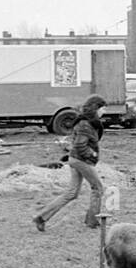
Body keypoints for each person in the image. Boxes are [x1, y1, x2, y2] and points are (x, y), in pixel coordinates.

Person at [33, 95, 106, 231]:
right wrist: (93, 154)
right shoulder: (85, 124)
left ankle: (41, 217)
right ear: (96, 108)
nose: (104, 111)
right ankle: (92, 221)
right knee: (98, 188)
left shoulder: (88, 123)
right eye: (103, 108)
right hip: (81, 160)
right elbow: (79, 145)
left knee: (71, 194)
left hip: (75, 159)